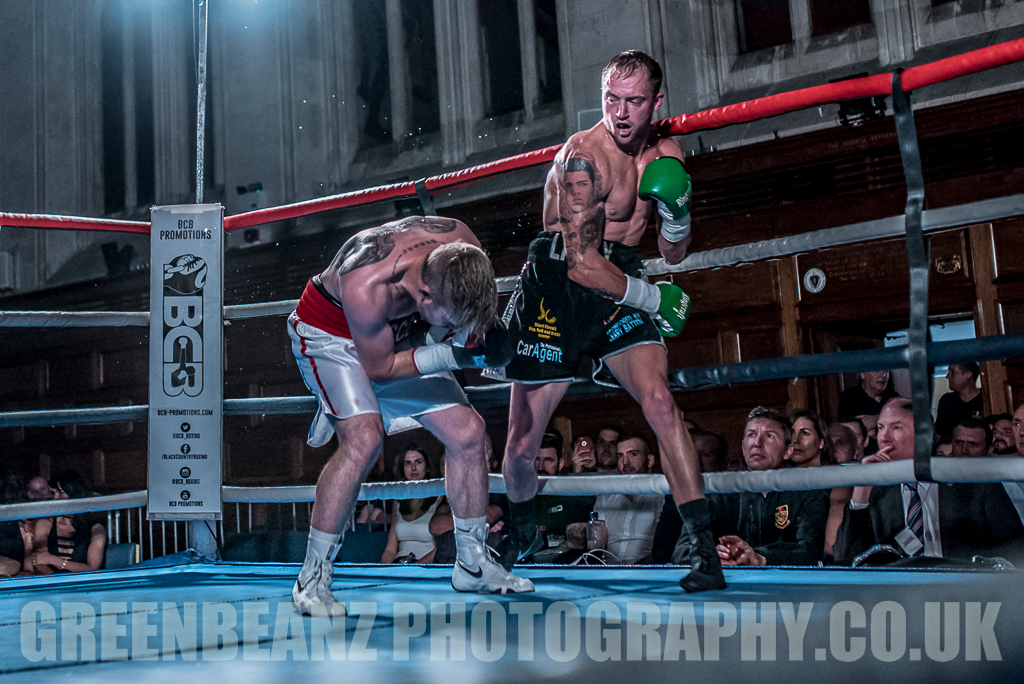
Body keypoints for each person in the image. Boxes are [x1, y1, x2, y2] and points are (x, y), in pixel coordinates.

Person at [494, 50, 724, 592]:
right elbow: (580, 263)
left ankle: (704, 550)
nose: (621, 113)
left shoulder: (666, 153)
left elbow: (673, 254)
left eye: (635, 101)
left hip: (621, 276)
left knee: (662, 403)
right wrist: (649, 299)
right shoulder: (582, 159)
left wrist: (678, 212)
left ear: (657, 102)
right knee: (523, 443)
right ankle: (522, 530)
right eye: (612, 100)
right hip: (559, 284)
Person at [287, 216, 532, 617]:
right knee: (364, 439)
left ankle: (472, 565)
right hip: (331, 336)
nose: (456, 330)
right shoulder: (368, 285)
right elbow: (381, 368)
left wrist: (478, 336)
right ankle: (311, 579)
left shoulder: (464, 248)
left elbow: (469, 313)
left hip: (400, 333)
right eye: (449, 321)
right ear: (424, 295)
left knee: (469, 433)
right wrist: (453, 352)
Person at [833, 398, 1024, 566]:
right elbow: (846, 560)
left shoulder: (975, 484)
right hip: (897, 599)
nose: (884, 437)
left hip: (964, 596)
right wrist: (860, 494)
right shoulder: (874, 494)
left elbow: (1017, 552)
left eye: (896, 428)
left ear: (924, 435)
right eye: (881, 428)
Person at [29, 470, 106, 574]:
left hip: (85, 585)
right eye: (54, 493)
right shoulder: (44, 523)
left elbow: (92, 568)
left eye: (60, 493)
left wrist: (53, 560)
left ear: (75, 495)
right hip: (52, 585)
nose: (55, 498)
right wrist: (57, 584)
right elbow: (39, 561)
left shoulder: (96, 528)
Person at [380, 447, 440, 564]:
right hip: (400, 565)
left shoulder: (440, 498)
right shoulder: (399, 499)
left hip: (427, 567)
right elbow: (390, 550)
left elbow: (440, 549)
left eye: (418, 462)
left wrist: (414, 567)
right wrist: (385, 572)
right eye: (407, 463)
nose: (413, 468)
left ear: (427, 466)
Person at [935, 363, 984, 444]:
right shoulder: (947, 401)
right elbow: (939, 434)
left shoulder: (985, 400)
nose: (947, 376)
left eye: (952, 371)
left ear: (968, 375)